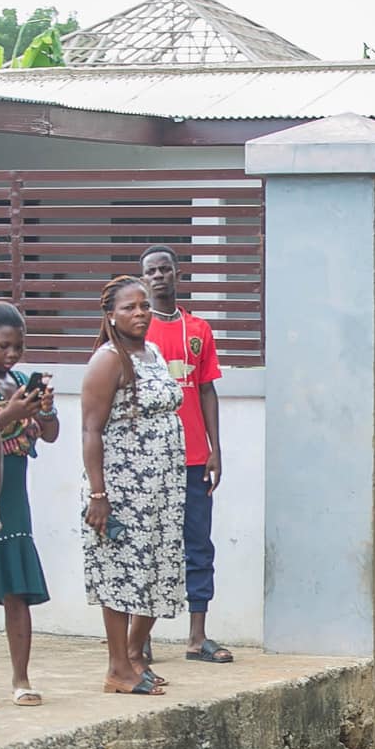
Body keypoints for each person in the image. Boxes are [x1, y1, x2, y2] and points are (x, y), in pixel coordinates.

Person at [81, 275, 185, 696]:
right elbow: (91, 430)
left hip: (163, 489)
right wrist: (99, 494)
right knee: (120, 574)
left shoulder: (154, 352)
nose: (140, 313)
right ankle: (117, 668)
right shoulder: (108, 359)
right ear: (111, 315)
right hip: (123, 489)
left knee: (160, 569)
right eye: (129, 307)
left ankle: (135, 655)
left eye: (144, 306)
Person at [141, 245, 234, 664]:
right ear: (143, 279)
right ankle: (139, 637)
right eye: (151, 271)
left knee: (198, 545)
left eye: (165, 269)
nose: (159, 276)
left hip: (195, 458)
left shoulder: (198, 329)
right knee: (151, 546)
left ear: (177, 275)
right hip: (153, 459)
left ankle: (197, 637)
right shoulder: (134, 330)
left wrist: (216, 449)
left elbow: (207, 389)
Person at [0, 301, 58, 706]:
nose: (12, 355)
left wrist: (44, 410)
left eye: (18, 346)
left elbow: (50, 435)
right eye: (3, 346)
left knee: (17, 588)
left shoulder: (19, 381)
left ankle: (21, 679)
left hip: (15, 490)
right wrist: (11, 413)